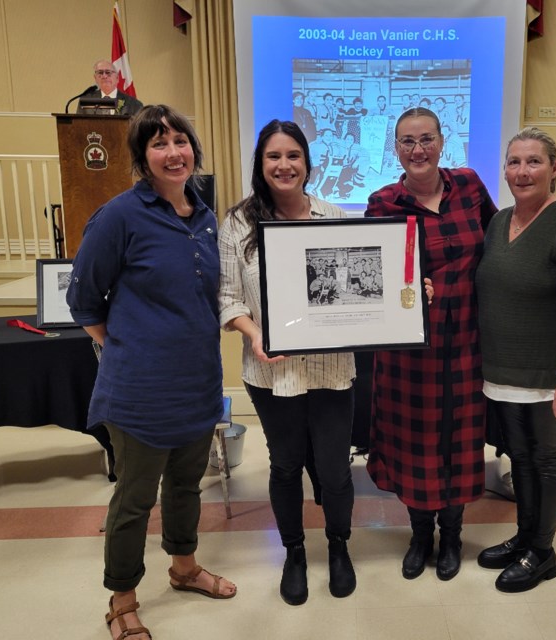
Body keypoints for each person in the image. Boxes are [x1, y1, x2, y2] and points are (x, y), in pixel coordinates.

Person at [66, 104, 236, 640]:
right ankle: (122, 599)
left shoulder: (206, 218)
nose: (172, 152)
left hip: (198, 384)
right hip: (138, 390)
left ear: (193, 149)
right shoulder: (119, 215)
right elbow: (84, 298)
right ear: (142, 157)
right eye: (158, 144)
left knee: (186, 486)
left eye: (180, 141)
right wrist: (127, 348)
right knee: (135, 498)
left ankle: (184, 569)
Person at [218, 119, 357, 606]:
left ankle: (338, 547)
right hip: (271, 371)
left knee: (336, 469)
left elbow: (356, 292)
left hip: (333, 369)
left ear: (307, 162)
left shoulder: (335, 216)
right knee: (285, 466)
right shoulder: (237, 223)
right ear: (261, 164)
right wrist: (255, 335)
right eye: (274, 156)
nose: (284, 165)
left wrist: (403, 301)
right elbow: (228, 297)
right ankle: (294, 553)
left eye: (293, 155)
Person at [364, 107, 498, 582]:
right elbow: (370, 276)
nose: (417, 150)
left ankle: (453, 535)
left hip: (466, 340)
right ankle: (421, 535)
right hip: (408, 352)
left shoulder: (470, 186)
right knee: (414, 444)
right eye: (406, 142)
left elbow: (499, 244)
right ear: (395, 149)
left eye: (426, 139)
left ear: (443, 142)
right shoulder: (382, 202)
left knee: (459, 441)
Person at [475, 127, 556, 593]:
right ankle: (524, 538)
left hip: (548, 375)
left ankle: (543, 553)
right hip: (501, 372)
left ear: (555, 168)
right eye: (514, 162)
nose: (522, 171)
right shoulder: (498, 222)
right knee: (521, 459)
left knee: (546, 460)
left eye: (534, 162)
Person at [78, 59, 144, 116]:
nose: (104, 76)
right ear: (95, 78)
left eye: (108, 72)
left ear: (117, 78)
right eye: (100, 73)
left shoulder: (133, 104)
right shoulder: (86, 102)